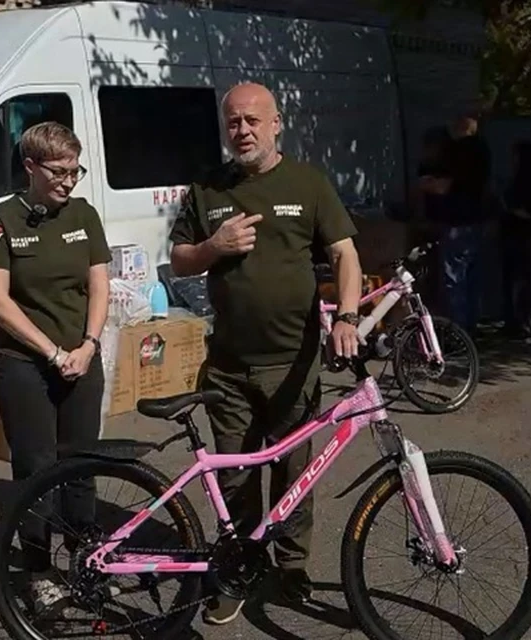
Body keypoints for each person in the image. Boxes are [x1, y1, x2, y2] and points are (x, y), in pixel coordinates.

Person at [168, 82, 363, 625]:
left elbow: (345, 254)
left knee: (294, 475)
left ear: (277, 123)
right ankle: (237, 568)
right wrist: (215, 247)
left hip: (292, 365)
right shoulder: (207, 188)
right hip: (228, 367)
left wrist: (347, 317)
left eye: (254, 120)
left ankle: (292, 567)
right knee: (233, 477)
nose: (243, 130)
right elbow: (180, 260)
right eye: (233, 122)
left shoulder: (308, 183)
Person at [0, 121, 112, 615]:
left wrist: (89, 345)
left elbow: (99, 286)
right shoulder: (1, 218)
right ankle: (38, 570)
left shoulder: (85, 215)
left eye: (75, 171)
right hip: (25, 364)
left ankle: (85, 560)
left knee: (82, 465)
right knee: (36, 469)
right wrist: (51, 352)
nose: (69, 181)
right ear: (30, 167)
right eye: (59, 171)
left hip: (81, 358)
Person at [438, 113, 493, 336]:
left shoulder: (457, 151)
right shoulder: (484, 150)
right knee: (472, 277)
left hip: (457, 219)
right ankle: (471, 326)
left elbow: (445, 185)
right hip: (476, 219)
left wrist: (429, 185)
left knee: (454, 279)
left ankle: (457, 332)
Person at [501, 139, 531, 343]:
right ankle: (514, 322)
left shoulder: (530, 181)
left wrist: (509, 209)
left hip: (522, 236)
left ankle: (527, 325)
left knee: (523, 282)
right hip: (512, 234)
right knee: (512, 281)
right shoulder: (517, 178)